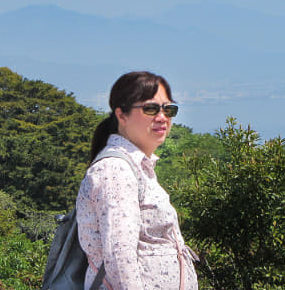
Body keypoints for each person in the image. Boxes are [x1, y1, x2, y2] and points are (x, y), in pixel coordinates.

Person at [76, 71, 198, 290]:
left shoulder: (136, 167)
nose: (162, 117)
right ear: (121, 115)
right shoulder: (115, 170)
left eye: (169, 109)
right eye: (150, 109)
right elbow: (119, 255)